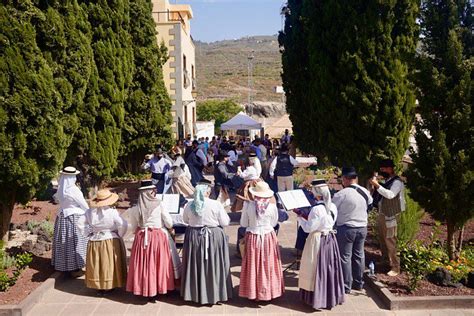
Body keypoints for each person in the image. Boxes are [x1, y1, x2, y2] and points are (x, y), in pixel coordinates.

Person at [181, 180, 233, 305]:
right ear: (208, 192)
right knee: (214, 263)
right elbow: (225, 222)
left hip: (194, 236)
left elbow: (185, 220)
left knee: (195, 264)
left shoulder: (189, 205)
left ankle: (195, 293)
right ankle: (216, 292)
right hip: (213, 236)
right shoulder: (216, 204)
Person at [126, 181, 180, 298]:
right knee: (159, 262)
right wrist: (169, 228)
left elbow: (134, 227)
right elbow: (169, 222)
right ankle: (161, 287)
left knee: (144, 264)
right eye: (153, 190)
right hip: (157, 237)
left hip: (142, 237)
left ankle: (145, 288)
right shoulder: (159, 204)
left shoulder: (135, 208)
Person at [298, 179, 345, 310]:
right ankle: (330, 295)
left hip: (317, 240)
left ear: (316, 194)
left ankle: (314, 297)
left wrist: (300, 217)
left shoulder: (316, 209)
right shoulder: (333, 206)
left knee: (314, 267)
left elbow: (309, 228)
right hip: (330, 239)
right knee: (329, 267)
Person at [239, 182, 284, 301]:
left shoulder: (248, 205)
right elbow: (274, 223)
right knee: (268, 264)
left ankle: (254, 292)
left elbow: (243, 223)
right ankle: (269, 291)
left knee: (253, 264)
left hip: (253, 236)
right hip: (268, 236)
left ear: (254, 194)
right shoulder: (272, 207)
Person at [77, 189, 128, 294]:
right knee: (108, 263)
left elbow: (80, 224)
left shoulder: (89, 212)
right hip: (110, 240)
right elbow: (122, 224)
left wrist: (88, 233)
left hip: (95, 240)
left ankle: (98, 285)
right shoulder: (112, 212)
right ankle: (109, 285)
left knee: (97, 263)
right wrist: (120, 234)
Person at [333, 167, 373, 294]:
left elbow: (332, 210)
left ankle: (346, 285)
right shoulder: (365, 191)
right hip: (362, 227)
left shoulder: (341, 194)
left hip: (347, 228)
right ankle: (359, 283)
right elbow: (370, 205)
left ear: (345, 179)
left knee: (345, 257)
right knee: (359, 255)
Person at [369, 159, 405, 276]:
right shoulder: (388, 180)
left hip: (392, 216)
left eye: (383, 169)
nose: (382, 171)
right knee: (382, 239)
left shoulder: (397, 182)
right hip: (383, 213)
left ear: (390, 168)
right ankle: (385, 261)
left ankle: (395, 267)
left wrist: (377, 185)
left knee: (390, 240)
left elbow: (390, 195)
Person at [52, 166, 89, 275]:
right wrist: (89, 214)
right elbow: (83, 204)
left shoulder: (61, 188)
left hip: (62, 216)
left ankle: (66, 265)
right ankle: (77, 266)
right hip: (74, 217)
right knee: (76, 241)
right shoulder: (73, 189)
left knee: (64, 242)